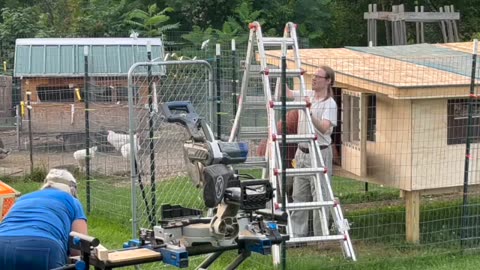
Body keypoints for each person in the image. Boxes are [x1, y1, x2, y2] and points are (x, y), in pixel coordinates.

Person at [0, 169, 88, 269]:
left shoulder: (22, 199)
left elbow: (4, 222)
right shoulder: (72, 201)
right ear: (72, 189)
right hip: (42, 246)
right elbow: (78, 246)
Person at [287, 66, 338, 237]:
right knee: (298, 196)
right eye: (313, 75)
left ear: (328, 80)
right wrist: (281, 73)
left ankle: (321, 237)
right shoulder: (307, 93)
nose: (314, 78)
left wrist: (309, 112)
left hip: (319, 153)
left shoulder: (330, 104)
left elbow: (324, 128)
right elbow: (286, 93)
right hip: (301, 153)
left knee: (320, 197)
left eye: (318, 76)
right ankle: (297, 236)